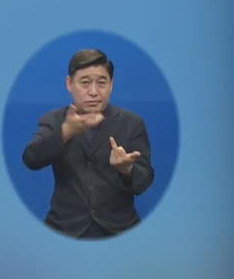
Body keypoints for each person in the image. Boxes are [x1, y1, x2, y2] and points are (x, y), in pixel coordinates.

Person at [22, 48, 154, 238]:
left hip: (120, 229)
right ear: (69, 84)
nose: (93, 92)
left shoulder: (132, 123)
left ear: (111, 85)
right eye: (85, 83)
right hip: (65, 228)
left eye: (101, 83)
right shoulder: (54, 120)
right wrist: (66, 132)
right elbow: (31, 159)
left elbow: (144, 182)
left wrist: (127, 170)